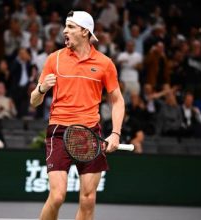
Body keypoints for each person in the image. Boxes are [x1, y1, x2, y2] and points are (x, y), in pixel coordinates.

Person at [30, 11, 125, 220]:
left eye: (71, 27)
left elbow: (117, 100)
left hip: (90, 133)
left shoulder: (105, 63)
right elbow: (33, 101)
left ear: (85, 32)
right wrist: (41, 89)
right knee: (57, 196)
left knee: (88, 199)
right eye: (66, 26)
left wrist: (116, 133)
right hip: (59, 130)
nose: (65, 30)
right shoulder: (53, 59)